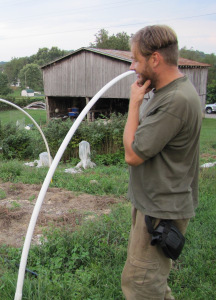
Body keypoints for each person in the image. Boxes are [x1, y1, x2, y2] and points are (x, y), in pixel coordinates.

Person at [121, 25, 202, 300]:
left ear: (155, 59)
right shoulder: (166, 93)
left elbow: (133, 154)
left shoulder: (175, 100)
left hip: (161, 209)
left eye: (136, 59)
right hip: (154, 204)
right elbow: (144, 136)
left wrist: (133, 104)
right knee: (152, 281)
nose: (133, 67)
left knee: (141, 285)